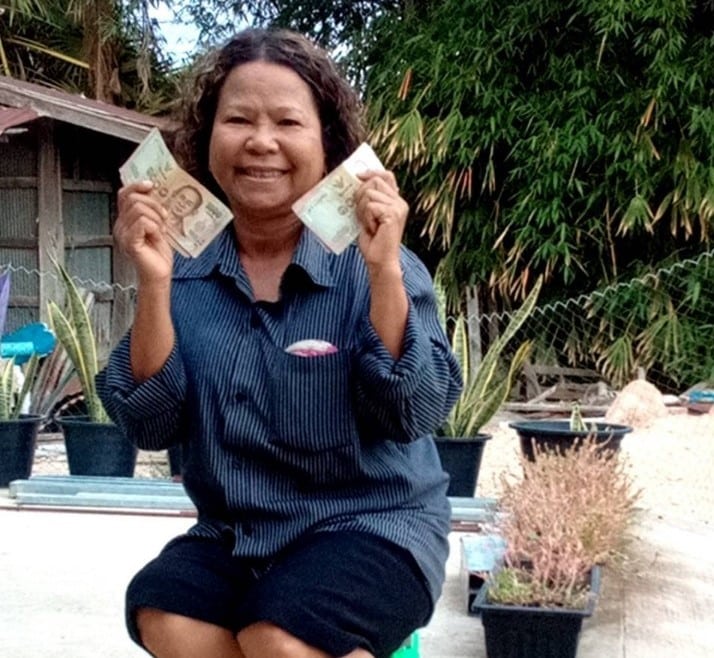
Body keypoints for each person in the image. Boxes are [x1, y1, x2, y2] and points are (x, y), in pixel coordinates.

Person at [97, 28, 462, 658]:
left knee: (279, 634)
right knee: (164, 610)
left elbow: (415, 413)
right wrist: (154, 283)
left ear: (328, 145)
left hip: (374, 524)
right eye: (238, 119)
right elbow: (148, 425)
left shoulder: (375, 261)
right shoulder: (182, 266)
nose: (261, 142)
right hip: (239, 532)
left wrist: (383, 272)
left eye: (288, 122)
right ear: (207, 137)